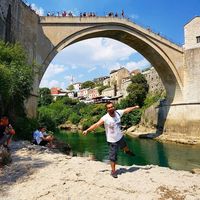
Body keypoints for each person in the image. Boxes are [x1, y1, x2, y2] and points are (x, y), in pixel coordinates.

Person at [83, 102, 139, 178]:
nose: (111, 108)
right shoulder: (105, 118)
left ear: (114, 107)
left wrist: (135, 107)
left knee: (125, 146)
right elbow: (96, 124)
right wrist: (87, 130)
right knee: (113, 157)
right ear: (107, 109)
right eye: (109, 107)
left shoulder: (118, 113)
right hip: (112, 141)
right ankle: (113, 171)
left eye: (112, 107)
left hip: (120, 137)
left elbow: (126, 110)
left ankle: (127, 151)